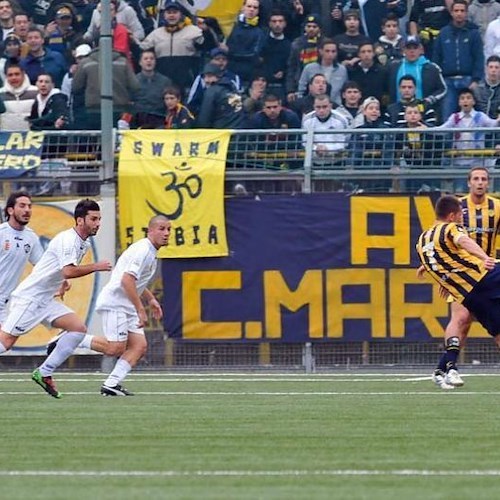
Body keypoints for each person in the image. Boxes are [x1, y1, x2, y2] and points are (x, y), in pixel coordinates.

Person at [0, 199, 112, 398]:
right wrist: (96, 266)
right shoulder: (69, 239)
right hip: (30, 299)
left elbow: (57, 268)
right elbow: (68, 270)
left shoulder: (82, 242)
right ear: (80, 220)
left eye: (99, 219)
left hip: (45, 300)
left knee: (78, 328)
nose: (97, 223)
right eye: (93, 219)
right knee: (6, 343)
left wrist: (60, 282)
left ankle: (44, 372)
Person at [51, 215, 171, 396]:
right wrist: (140, 309)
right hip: (116, 303)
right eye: (161, 229)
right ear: (150, 231)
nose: (166, 233)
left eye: (169, 229)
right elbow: (126, 280)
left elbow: (135, 280)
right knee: (115, 348)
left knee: (139, 346)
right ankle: (70, 338)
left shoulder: (150, 252)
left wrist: (150, 299)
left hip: (126, 304)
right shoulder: (143, 250)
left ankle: (111, 384)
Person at [426, 167, 500, 389]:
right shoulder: (457, 208)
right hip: (462, 275)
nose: (480, 182)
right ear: (468, 182)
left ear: (489, 183)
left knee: (468, 324)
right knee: (461, 319)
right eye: (475, 179)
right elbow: (439, 239)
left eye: (484, 179)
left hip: (487, 275)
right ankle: (451, 369)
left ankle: (442, 368)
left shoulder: (497, 207)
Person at [433, 0, 484, 120]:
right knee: (447, 116)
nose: (459, 13)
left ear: (466, 13)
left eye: (462, 11)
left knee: (470, 117)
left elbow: (479, 57)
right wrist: (439, 80)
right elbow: (436, 57)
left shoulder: (474, 33)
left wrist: (476, 80)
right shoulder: (443, 33)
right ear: (451, 13)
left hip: (468, 81)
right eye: (456, 10)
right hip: (447, 82)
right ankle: (447, 139)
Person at [0, 191, 44, 325]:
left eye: (29, 206)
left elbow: (43, 266)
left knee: (5, 344)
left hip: (7, 303)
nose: (27, 210)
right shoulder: (2, 233)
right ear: (10, 210)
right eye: (22, 206)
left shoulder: (31, 237)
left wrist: (60, 281)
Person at [297, 38, 347, 106]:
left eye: (333, 51)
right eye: (327, 51)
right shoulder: (309, 68)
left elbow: (345, 90)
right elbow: (301, 90)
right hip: (313, 106)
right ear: (321, 51)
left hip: (335, 105)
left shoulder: (342, 70)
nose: (330, 54)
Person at [0, 61, 37, 131]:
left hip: (31, 137)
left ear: (23, 74)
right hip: (6, 138)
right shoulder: (0, 93)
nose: (14, 78)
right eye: (10, 75)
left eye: (17, 74)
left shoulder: (36, 92)